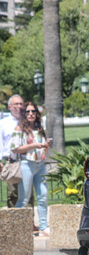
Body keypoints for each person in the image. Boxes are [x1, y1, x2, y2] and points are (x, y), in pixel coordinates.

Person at [10, 102, 51, 236]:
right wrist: (34, 145)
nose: (30, 114)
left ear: (37, 113)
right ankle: (14, 225)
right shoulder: (19, 128)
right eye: (27, 112)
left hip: (40, 164)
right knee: (24, 197)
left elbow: (44, 149)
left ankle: (43, 226)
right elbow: (15, 148)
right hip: (27, 164)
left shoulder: (40, 128)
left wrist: (45, 146)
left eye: (33, 111)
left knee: (43, 195)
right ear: (24, 114)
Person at [0, 94, 24, 207]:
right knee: (13, 193)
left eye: (21, 104)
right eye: (16, 104)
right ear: (10, 107)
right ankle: (13, 221)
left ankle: (29, 221)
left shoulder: (28, 121)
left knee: (28, 193)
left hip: (27, 160)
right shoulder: (4, 123)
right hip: (12, 162)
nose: (19, 106)